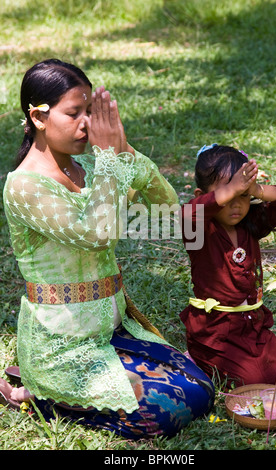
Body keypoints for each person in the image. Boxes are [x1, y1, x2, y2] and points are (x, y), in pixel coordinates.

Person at [1, 59, 214, 440]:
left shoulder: (91, 165)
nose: (88, 124)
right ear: (37, 117)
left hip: (112, 331)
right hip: (62, 348)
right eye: (74, 113)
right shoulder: (24, 186)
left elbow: (165, 210)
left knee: (200, 387)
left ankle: (54, 393)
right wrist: (111, 162)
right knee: (168, 411)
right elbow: (98, 232)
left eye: (91, 112)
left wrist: (125, 149)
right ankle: (43, 395)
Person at [180, 143, 276, 389]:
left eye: (244, 197)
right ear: (203, 194)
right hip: (216, 333)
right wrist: (234, 188)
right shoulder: (199, 231)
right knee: (253, 381)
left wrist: (257, 189)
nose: (237, 204)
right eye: (228, 197)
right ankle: (199, 357)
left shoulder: (250, 222)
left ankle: (253, 361)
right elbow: (188, 213)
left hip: (255, 329)